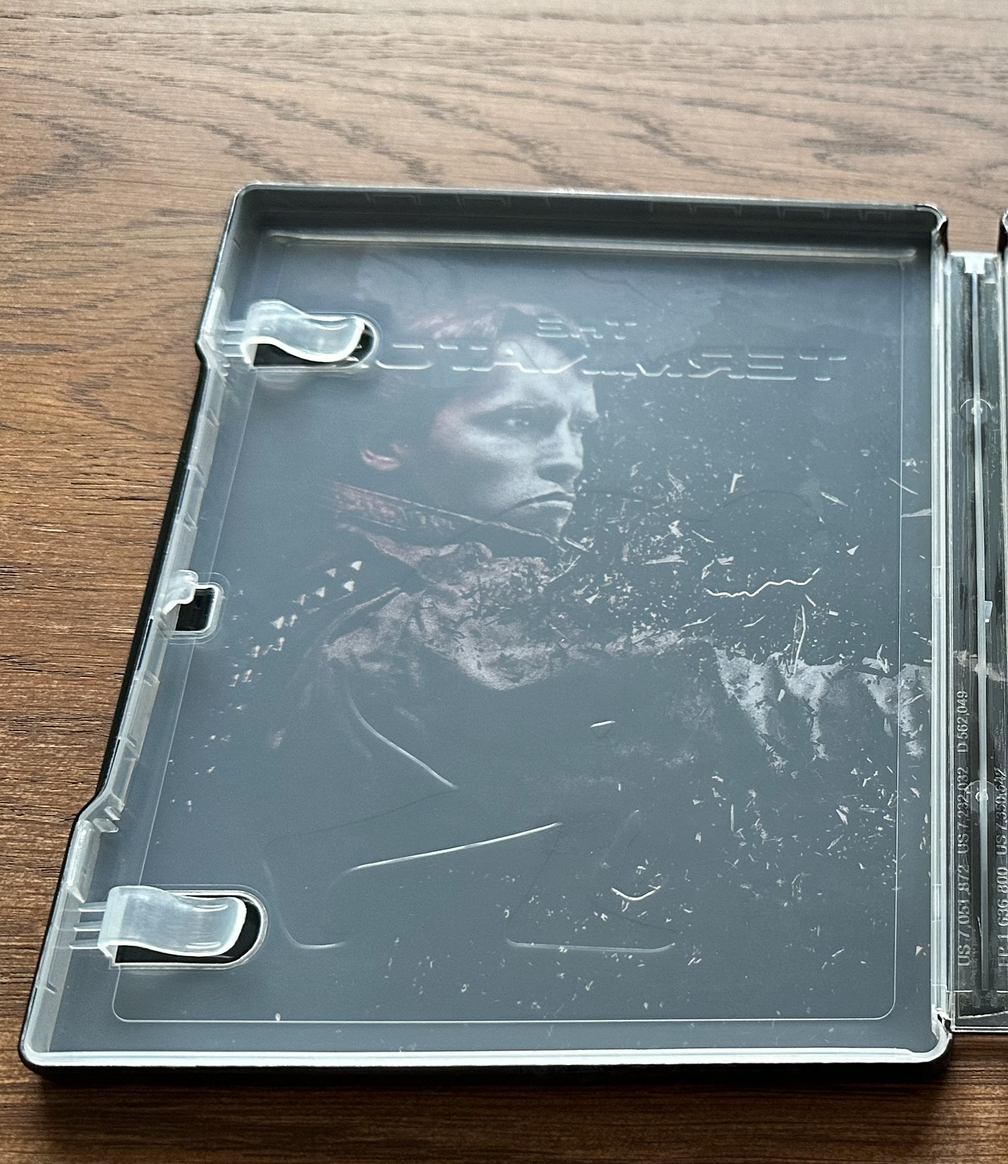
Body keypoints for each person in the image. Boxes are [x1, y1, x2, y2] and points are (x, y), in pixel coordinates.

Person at [215, 301, 917, 986]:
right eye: (519, 422)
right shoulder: (448, 614)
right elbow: (749, 701)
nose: (569, 461)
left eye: (579, 429)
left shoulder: (327, 568)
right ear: (385, 442)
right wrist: (948, 705)